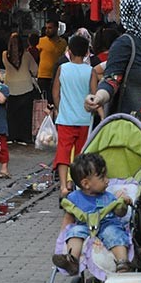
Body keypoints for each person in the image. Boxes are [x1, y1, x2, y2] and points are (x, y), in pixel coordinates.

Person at [52, 153, 133, 275]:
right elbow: (69, 214)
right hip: (85, 226)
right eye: (102, 178)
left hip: (106, 224)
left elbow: (120, 213)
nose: (107, 181)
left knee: (115, 234)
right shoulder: (74, 198)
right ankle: (72, 260)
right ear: (85, 184)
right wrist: (62, 234)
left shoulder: (109, 197)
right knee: (74, 232)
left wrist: (123, 203)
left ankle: (123, 262)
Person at [53, 35, 94, 196]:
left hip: (65, 118)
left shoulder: (62, 68)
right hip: (84, 119)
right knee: (80, 154)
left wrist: (60, 107)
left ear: (69, 51)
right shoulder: (90, 71)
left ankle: (63, 186)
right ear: (86, 53)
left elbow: (55, 92)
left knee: (63, 152)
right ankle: (77, 185)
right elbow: (94, 95)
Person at [2, 32, 38, 145]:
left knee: (11, 114)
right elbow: (35, 70)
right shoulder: (27, 55)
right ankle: (25, 137)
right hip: (26, 87)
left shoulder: (4, 55)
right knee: (25, 115)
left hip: (10, 88)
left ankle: (12, 136)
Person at [37, 18, 67, 105]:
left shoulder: (63, 43)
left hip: (58, 76)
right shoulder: (41, 41)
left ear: (56, 28)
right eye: (46, 28)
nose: (47, 30)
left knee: (56, 100)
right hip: (43, 76)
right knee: (43, 102)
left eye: (50, 28)